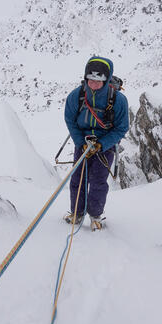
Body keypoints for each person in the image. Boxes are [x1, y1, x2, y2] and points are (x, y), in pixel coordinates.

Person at [64, 56, 129, 230]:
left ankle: (95, 216)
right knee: (78, 178)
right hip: (83, 143)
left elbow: (122, 128)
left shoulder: (117, 100)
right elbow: (70, 120)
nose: (93, 84)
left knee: (98, 180)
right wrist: (80, 142)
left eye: (98, 81)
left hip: (105, 146)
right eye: (90, 80)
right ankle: (77, 213)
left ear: (106, 80)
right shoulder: (77, 96)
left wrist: (102, 144)